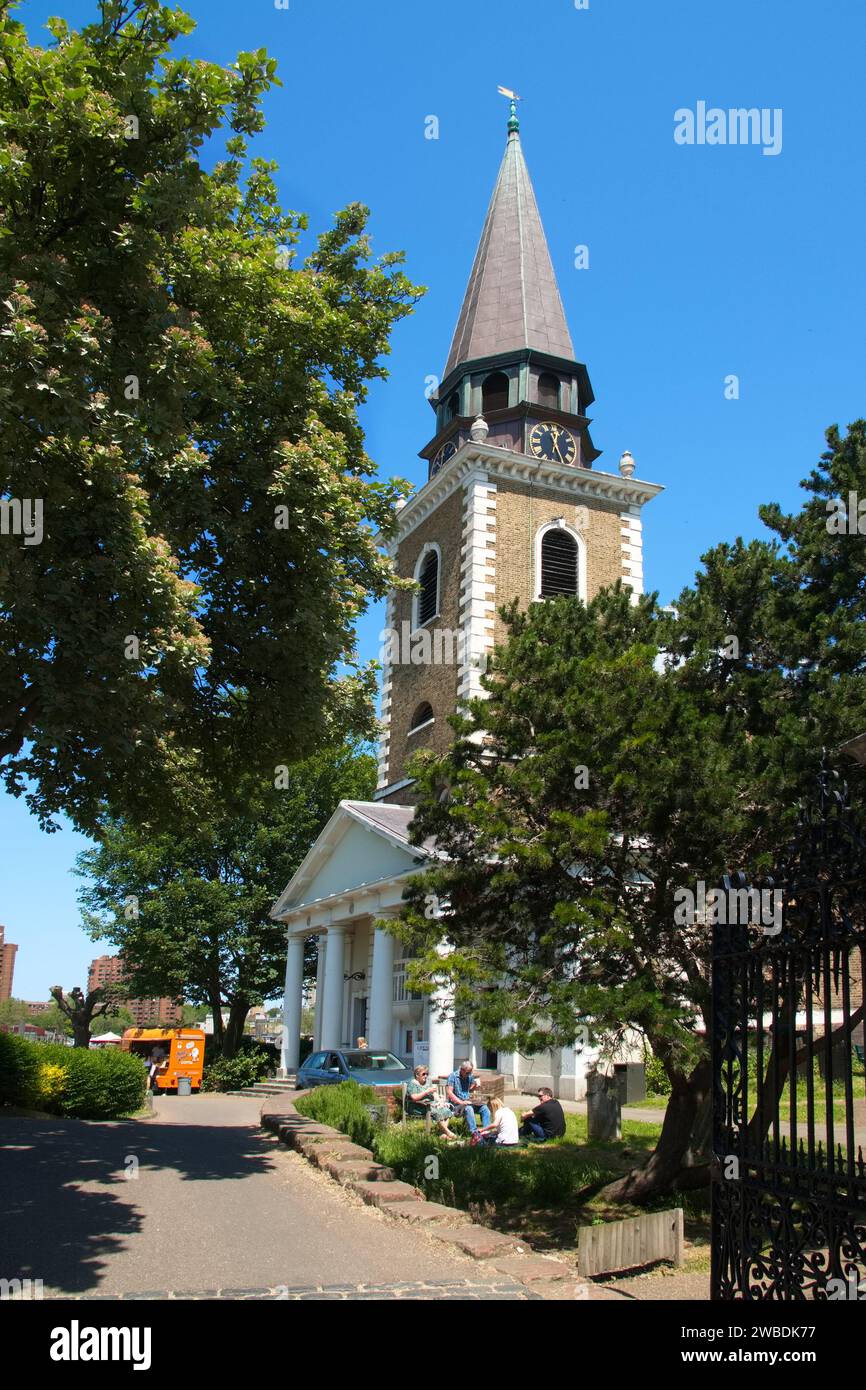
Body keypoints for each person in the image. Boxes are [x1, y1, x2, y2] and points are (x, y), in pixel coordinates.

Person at [405, 1065, 459, 1141]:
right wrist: (426, 1092)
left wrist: (440, 1100)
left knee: (446, 1110)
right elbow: (414, 1097)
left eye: (427, 1073)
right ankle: (448, 1132)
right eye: (423, 1074)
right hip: (417, 1106)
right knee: (437, 1112)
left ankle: (442, 1134)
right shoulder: (412, 1083)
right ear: (417, 1075)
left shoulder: (428, 1082)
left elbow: (434, 1093)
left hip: (430, 1105)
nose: (426, 1076)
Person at [446, 1062, 491, 1142]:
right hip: (456, 1105)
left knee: (484, 1108)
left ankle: (486, 1132)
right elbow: (449, 1092)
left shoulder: (469, 1076)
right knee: (469, 1108)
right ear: (462, 1070)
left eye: (470, 1072)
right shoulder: (453, 1076)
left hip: (467, 1102)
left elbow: (469, 1090)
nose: (469, 1074)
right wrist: (461, 1102)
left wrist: (475, 1087)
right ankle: (474, 1133)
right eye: (468, 1072)